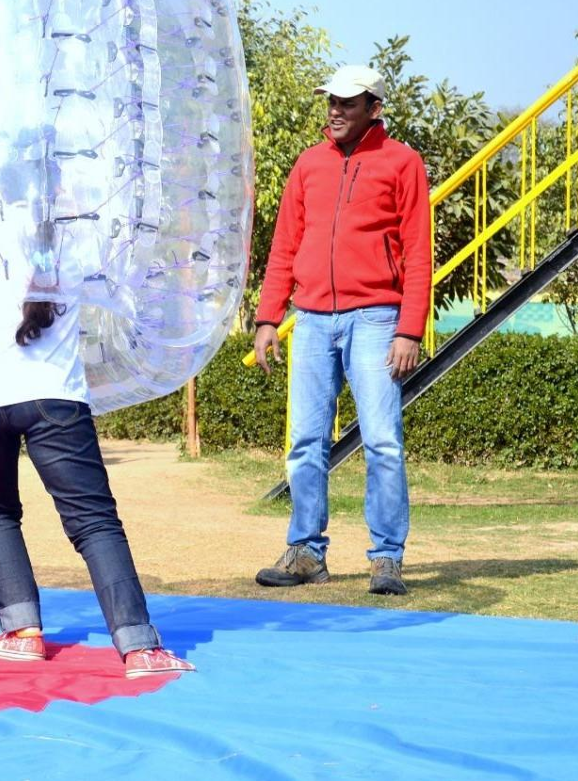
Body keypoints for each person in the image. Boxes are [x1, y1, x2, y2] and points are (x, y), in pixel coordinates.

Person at [0, 174, 192, 679]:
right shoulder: (78, 232)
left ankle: (22, 631)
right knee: (94, 521)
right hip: (51, 391)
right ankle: (139, 644)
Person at [251, 65, 432, 596]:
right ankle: (306, 552)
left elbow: (418, 252)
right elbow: (285, 245)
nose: (335, 110)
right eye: (331, 101)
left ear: (374, 108)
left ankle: (386, 558)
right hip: (310, 319)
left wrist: (409, 329)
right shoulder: (309, 164)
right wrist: (268, 318)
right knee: (305, 442)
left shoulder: (402, 162)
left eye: (347, 103)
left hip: (376, 318)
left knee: (382, 442)